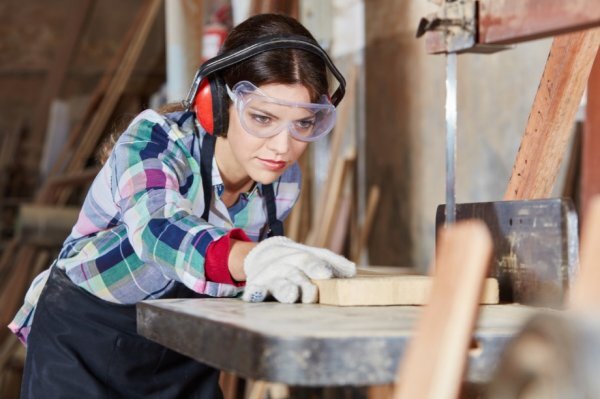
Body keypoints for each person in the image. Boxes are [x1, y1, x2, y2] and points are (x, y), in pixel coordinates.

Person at [10, 13, 356, 399]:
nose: (283, 146)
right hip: (86, 339)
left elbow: (234, 287)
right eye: (263, 118)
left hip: (180, 351)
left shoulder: (281, 181)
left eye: (304, 124)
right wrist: (253, 259)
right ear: (219, 104)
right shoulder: (154, 141)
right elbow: (158, 231)